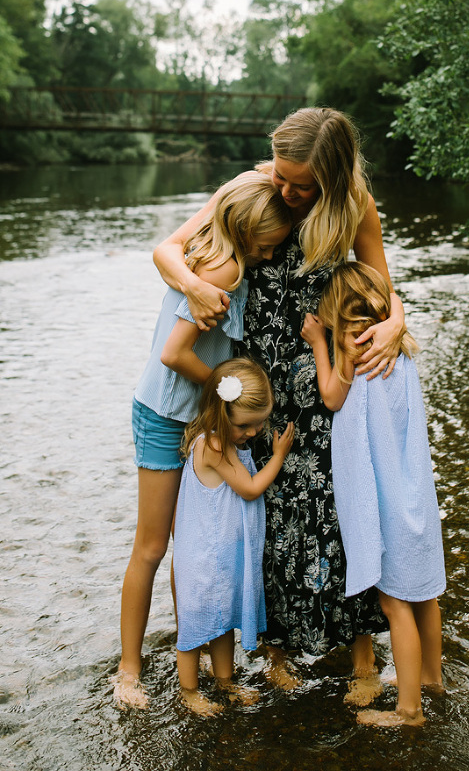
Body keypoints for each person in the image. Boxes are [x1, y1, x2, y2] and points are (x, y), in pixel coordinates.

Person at [153, 108, 407, 698]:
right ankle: (275, 654)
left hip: (322, 369)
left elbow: (383, 290)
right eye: (283, 177)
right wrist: (192, 285)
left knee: (336, 506)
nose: (287, 191)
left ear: (335, 177)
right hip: (256, 379)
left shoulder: (354, 206)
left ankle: (363, 658)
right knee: (265, 514)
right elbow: (169, 250)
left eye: (301, 185)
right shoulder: (257, 188)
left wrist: (394, 323)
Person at [112, 172, 292, 709]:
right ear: (246, 230)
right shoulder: (225, 266)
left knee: (191, 549)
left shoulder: (213, 241)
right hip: (167, 415)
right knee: (152, 545)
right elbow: (173, 354)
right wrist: (228, 391)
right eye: (267, 246)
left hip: (193, 419)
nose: (268, 255)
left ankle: (190, 653)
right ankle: (128, 670)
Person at [302, 261, 446, 727]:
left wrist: (319, 345)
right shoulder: (395, 344)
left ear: (338, 316)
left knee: (394, 602)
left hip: (382, 500)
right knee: (425, 594)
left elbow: (331, 397)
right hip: (413, 492)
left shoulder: (352, 346)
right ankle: (430, 679)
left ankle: (408, 710)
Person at [174, 357, 294, 715]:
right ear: (220, 412)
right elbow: (251, 488)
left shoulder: (224, 442)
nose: (254, 433)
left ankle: (225, 684)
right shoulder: (212, 447)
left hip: (219, 555)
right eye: (246, 425)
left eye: (259, 424)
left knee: (222, 620)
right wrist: (279, 456)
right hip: (204, 559)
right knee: (194, 630)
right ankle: (190, 692)